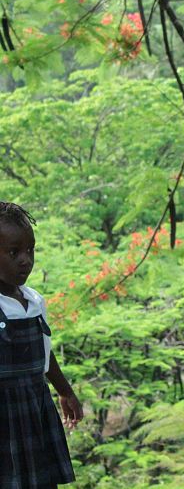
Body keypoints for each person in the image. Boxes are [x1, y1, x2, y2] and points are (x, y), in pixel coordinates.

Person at [0, 202, 82, 487]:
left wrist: (65, 390)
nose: (25, 260)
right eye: (14, 252)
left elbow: (45, 353)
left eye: (30, 250)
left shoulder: (34, 301)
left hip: (35, 407)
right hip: (4, 414)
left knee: (40, 480)